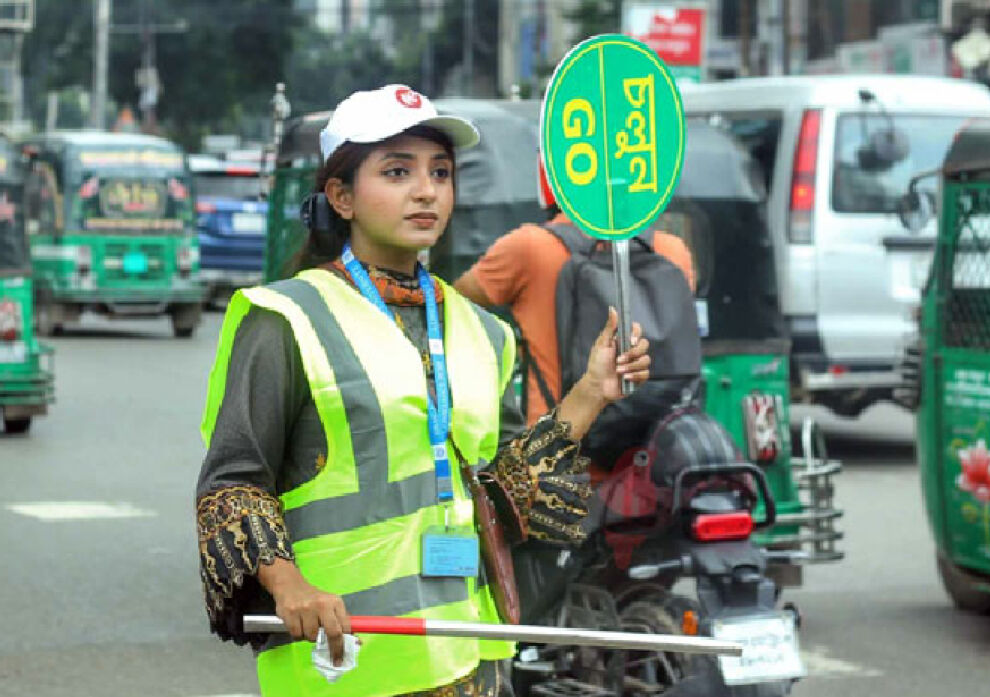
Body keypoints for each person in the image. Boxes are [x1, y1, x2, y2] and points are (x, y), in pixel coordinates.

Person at [194, 84, 651, 697]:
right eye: (398, 171)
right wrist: (288, 584)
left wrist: (591, 393)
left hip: (470, 660)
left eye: (441, 172)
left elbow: (502, 490)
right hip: (343, 663)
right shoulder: (284, 316)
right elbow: (233, 482)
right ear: (342, 196)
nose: (426, 190)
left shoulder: (481, 330)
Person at [454, 158, 695, 430]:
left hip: (559, 449)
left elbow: (453, 305)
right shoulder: (674, 251)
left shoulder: (529, 247)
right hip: (655, 452)